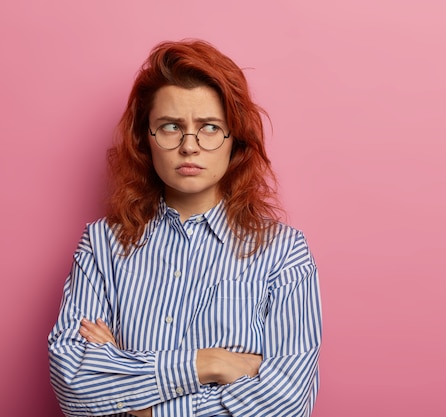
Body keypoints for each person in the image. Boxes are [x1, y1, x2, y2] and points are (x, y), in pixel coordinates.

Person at [48, 39, 322, 417]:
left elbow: (289, 403)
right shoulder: (102, 245)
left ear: (235, 140)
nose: (189, 146)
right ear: (146, 139)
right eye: (171, 127)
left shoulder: (283, 252)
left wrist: (139, 405)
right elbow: (73, 385)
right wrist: (210, 363)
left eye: (209, 127)